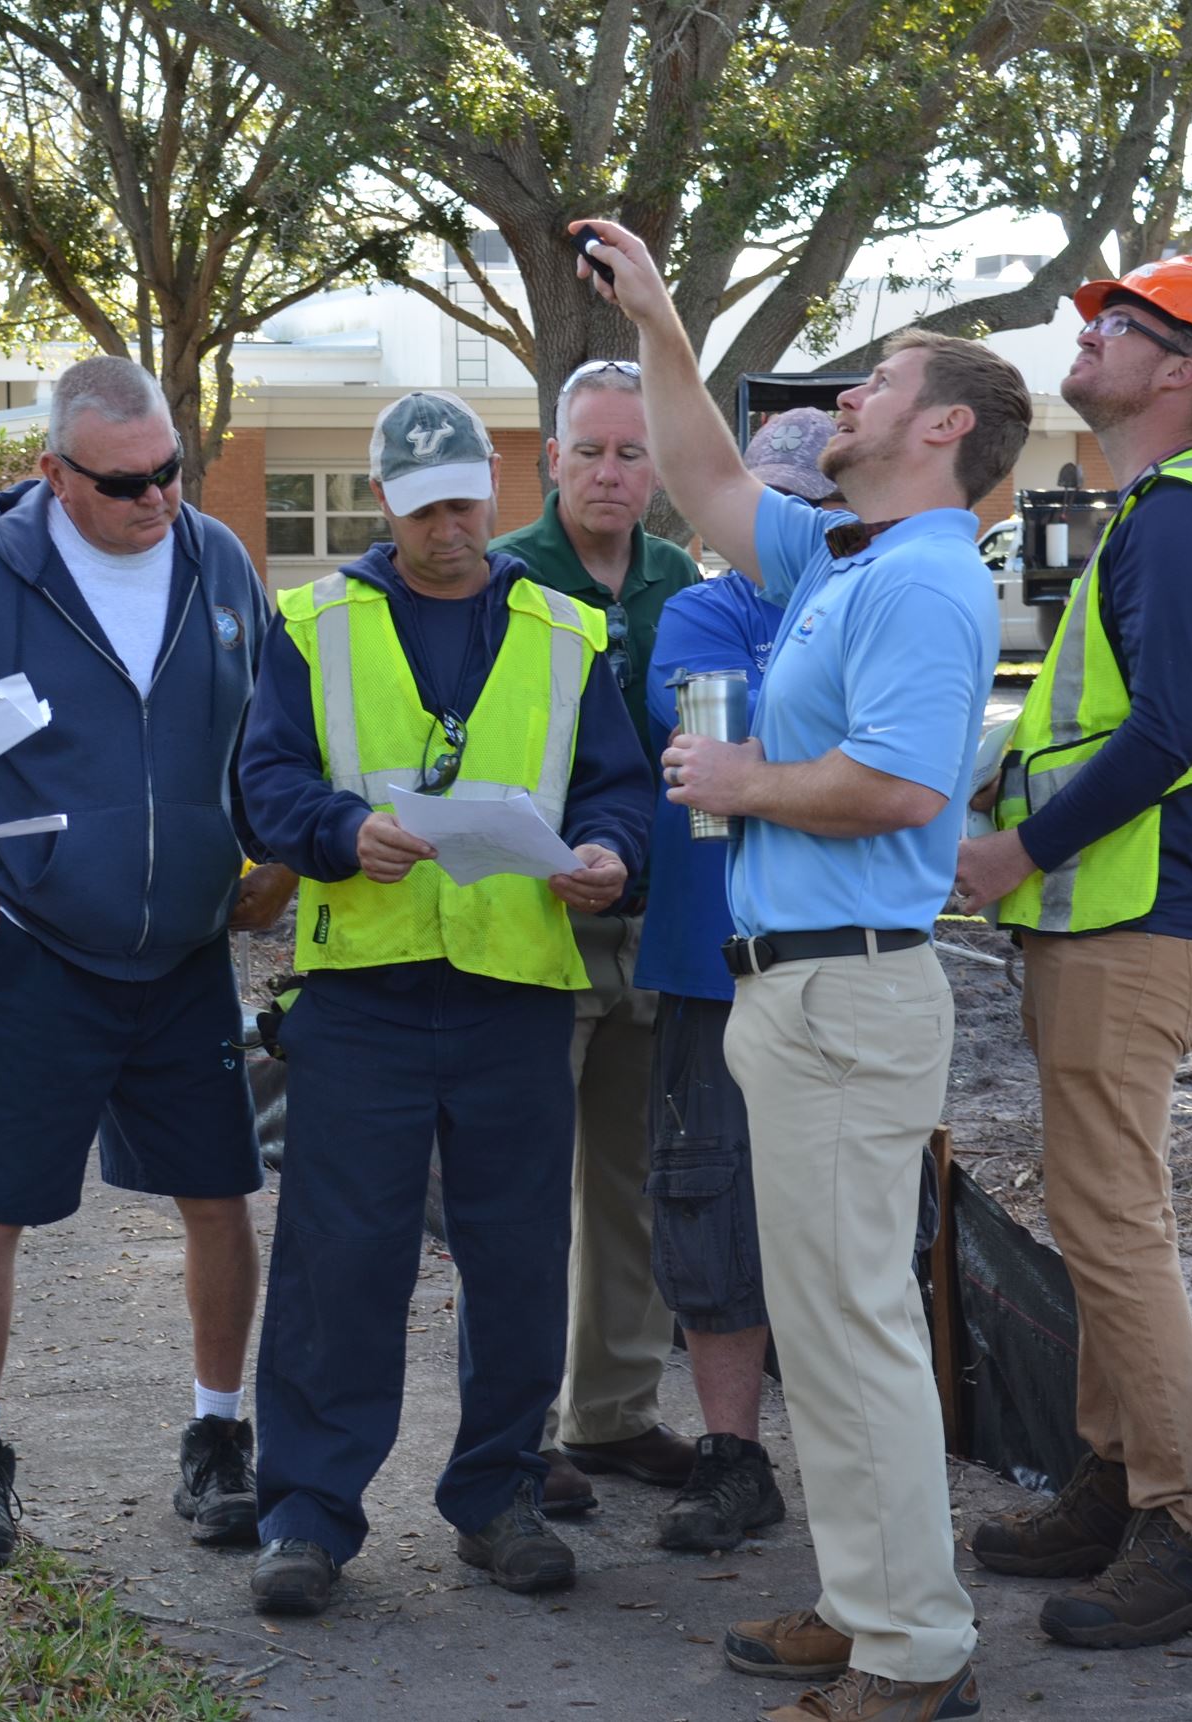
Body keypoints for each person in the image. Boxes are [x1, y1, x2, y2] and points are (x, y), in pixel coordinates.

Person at [580, 216, 1026, 1722]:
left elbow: (904, 790)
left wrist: (742, 776)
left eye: (879, 381)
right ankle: (867, 1599)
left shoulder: (921, 585)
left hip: (846, 987)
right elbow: (708, 479)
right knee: (829, 1325)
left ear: (944, 425)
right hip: (804, 989)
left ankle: (912, 1656)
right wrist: (659, 323)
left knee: (849, 1329)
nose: (849, 395)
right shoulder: (847, 550)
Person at [237, 389, 652, 1617]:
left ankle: (498, 1497)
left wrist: (611, 856)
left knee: (518, 1257)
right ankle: (306, 1517)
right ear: (383, 503)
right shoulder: (314, 624)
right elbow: (260, 781)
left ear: (497, 489)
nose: (447, 528)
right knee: (337, 1262)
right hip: (360, 995)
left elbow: (616, 789)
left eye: (465, 501)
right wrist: (331, 831)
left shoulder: (569, 633)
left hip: (513, 997)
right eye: (421, 509)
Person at [0, 355, 296, 1570]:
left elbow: (267, 733)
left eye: (171, 472)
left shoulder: (217, 561)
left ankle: (219, 1436)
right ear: (56, 476)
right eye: (124, 485)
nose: (156, 500)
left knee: (221, 1196)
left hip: (181, 960)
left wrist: (271, 851)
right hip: (34, 957)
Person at [950, 257, 1192, 1649]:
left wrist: (1016, 853)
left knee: (1114, 1222)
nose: (1086, 338)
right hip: (1116, 916)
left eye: (1120, 328)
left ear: (1184, 372)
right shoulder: (1152, 519)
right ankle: (1115, 1476)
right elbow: (1111, 727)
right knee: (1105, 1215)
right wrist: (1010, 782)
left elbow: (1165, 736)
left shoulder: (1173, 521)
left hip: (1132, 919)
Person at [488, 357, 701, 1512]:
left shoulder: (679, 579)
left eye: (632, 452)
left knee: (633, 1179)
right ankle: (509, 1437)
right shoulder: (501, 578)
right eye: (590, 451)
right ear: (548, 459)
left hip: (652, 923)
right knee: (520, 1188)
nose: (610, 472)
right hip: (537, 925)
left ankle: (612, 1414)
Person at [633, 409, 836, 1553]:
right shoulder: (698, 612)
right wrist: (800, 766)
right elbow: (709, 767)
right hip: (709, 962)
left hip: (833, 956)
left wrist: (778, 764)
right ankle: (730, 1455)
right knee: (705, 1201)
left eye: (807, 504)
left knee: (841, 1217)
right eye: (766, 501)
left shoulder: (866, 598)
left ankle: (843, 1452)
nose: (782, 524)